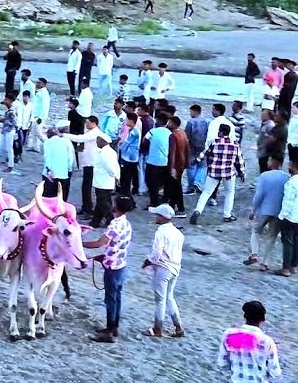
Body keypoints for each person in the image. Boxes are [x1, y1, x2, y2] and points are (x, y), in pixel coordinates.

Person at [83, 195, 134, 343]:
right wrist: (104, 256)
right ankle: (114, 327)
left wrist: (81, 244)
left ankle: (109, 331)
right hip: (120, 264)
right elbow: (117, 245)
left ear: (117, 207)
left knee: (110, 299)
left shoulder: (114, 225)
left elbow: (100, 243)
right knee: (116, 297)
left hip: (112, 267)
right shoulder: (127, 224)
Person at [143, 204, 185, 338]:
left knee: (160, 300)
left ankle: (157, 328)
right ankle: (178, 327)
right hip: (175, 268)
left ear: (162, 217)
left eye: (157, 215)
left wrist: (148, 261)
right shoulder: (178, 233)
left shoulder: (161, 232)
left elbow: (156, 253)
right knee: (169, 297)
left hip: (163, 268)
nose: (155, 217)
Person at [192, 124, 246, 225]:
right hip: (228, 173)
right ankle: (227, 215)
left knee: (206, 192)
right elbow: (239, 160)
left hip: (214, 172)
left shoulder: (215, 142)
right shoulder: (235, 144)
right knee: (229, 193)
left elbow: (204, 153)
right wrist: (241, 173)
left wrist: (197, 160)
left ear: (221, 132)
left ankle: (197, 211)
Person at [245, 158, 288, 274]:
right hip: (278, 211)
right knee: (271, 237)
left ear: (273, 162)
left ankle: (254, 254)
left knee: (255, 231)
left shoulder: (264, 176)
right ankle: (265, 263)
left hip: (264, 210)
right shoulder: (286, 177)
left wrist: (253, 210)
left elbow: (259, 195)